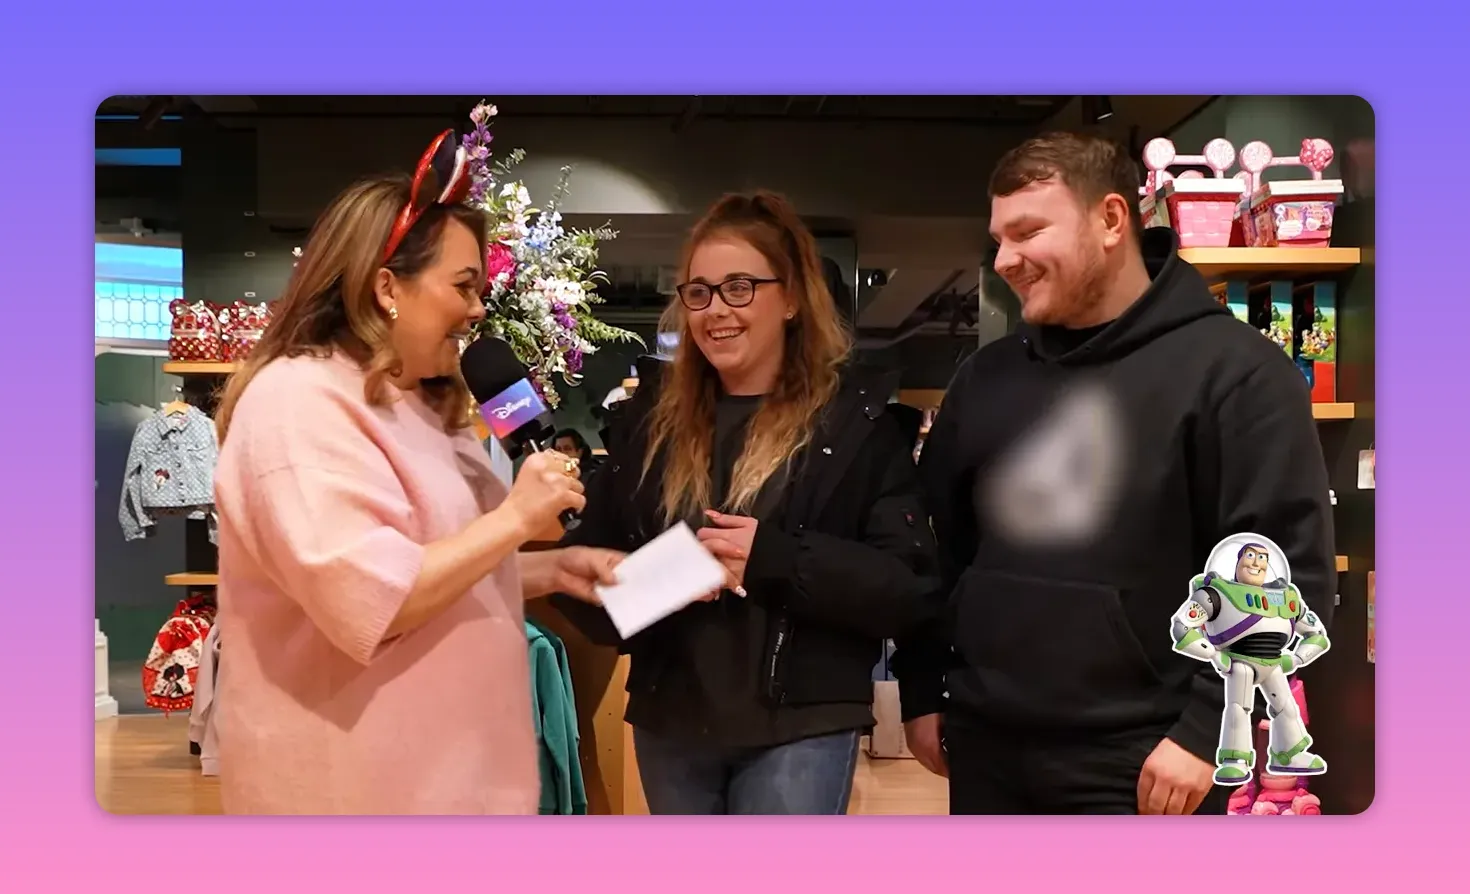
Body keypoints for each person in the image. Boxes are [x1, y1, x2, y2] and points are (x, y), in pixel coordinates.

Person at [893, 132, 1335, 815]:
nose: (1004, 260)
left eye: (1027, 231)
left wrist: (1207, 730)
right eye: (998, 238)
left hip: (1149, 762)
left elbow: (1287, 570)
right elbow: (933, 550)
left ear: (1109, 220)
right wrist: (924, 690)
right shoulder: (985, 378)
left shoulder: (1238, 372)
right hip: (985, 745)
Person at [211, 133, 624, 815]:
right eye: (464, 286)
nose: (477, 309)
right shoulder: (296, 404)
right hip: (351, 799)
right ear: (386, 287)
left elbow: (435, 570)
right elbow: (376, 602)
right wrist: (516, 520)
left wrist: (552, 570)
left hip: (456, 786)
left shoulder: (427, 403)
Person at [551, 190, 941, 815]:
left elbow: (907, 588)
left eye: (739, 287)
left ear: (790, 298)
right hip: (670, 724)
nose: (715, 311)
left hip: (801, 731)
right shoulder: (648, 427)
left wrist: (776, 560)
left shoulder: (855, 428)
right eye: (698, 292)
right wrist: (652, 580)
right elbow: (590, 581)